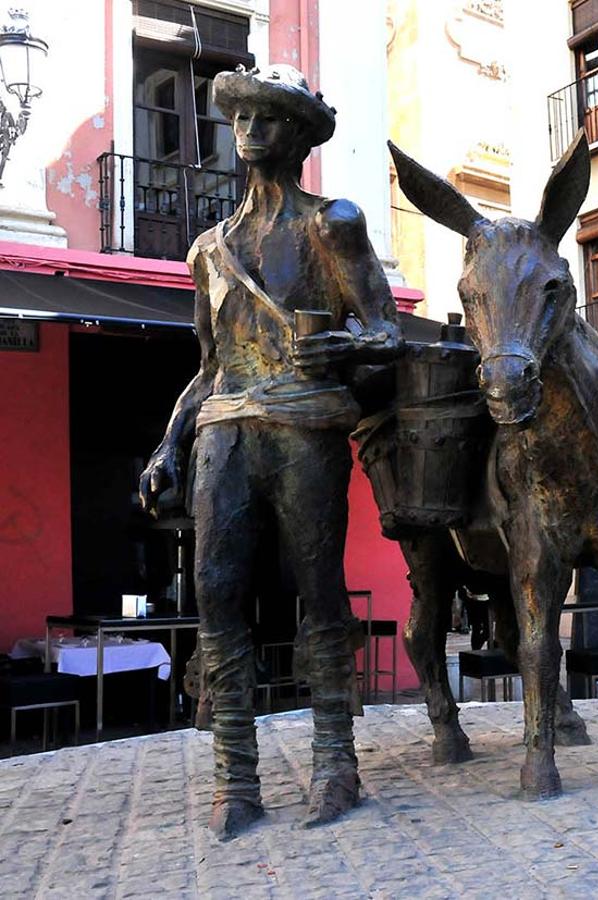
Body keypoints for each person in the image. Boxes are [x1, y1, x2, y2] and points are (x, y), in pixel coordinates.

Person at [138, 64, 403, 839]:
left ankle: (335, 765)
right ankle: (236, 779)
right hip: (225, 427)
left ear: (299, 135)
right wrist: (167, 444)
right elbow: (208, 365)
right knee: (216, 593)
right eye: (242, 118)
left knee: (319, 589)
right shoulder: (209, 250)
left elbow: (385, 330)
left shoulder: (333, 223)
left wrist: (346, 346)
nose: (250, 130)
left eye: (269, 118)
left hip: (303, 426)